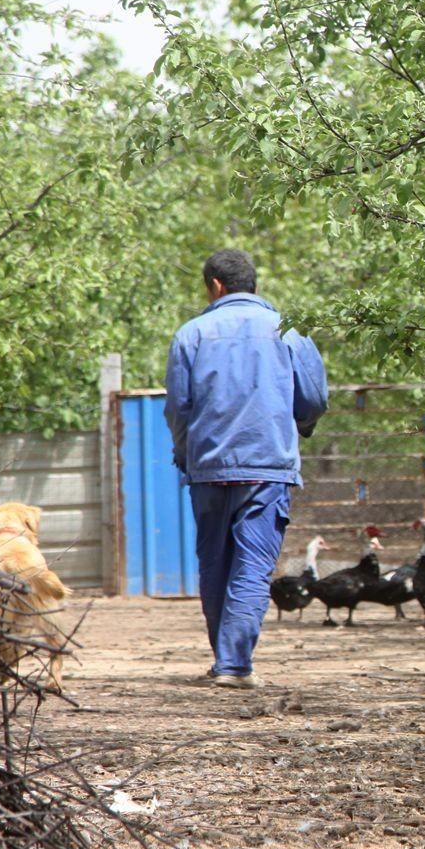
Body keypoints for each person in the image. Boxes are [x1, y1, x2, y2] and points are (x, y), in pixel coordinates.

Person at [164, 249, 328, 688]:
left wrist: (186, 453)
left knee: (215, 563)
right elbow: (313, 399)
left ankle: (225, 661)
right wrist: (300, 426)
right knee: (253, 565)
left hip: (209, 469)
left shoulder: (191, 334)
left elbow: (178, 408)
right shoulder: (288, 330)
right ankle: (235, 666)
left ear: (216, 286)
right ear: (252, 284)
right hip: (267, 467)